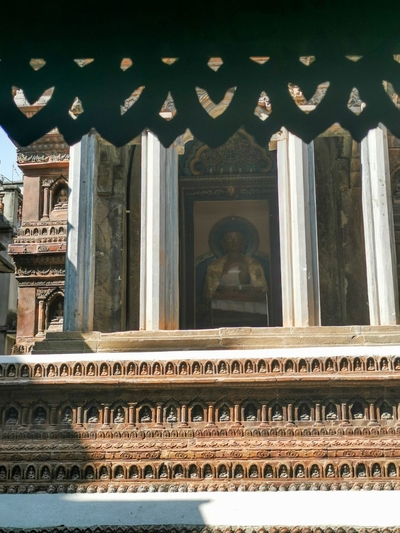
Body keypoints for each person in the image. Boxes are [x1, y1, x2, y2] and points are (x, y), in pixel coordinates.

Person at [204, 231, 268, 327]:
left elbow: (262, 291)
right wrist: (226, 295)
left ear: (243, 242)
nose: (233, 243)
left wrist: (245, 296)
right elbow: (209, 294)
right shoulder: (214, 266)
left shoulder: (254, 265)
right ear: (223, 243)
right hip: (223, 313)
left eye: (237, 239)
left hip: (250, 312)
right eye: (229, 240)